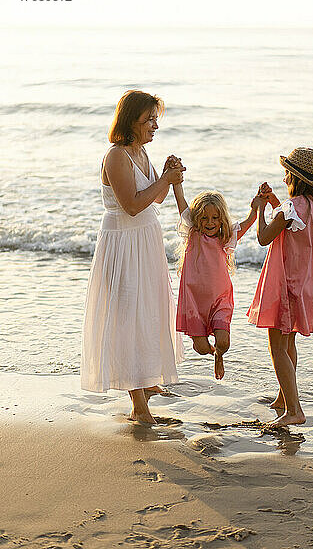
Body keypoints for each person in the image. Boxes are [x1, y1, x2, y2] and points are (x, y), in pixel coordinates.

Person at [81, 90, 185, 425]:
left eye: (156, 119)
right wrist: (164, 181)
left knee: (150, 310)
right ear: (131, 121)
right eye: (149, 120)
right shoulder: (116, 156)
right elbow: (132, 204)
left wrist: (168, 175)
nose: (155, 126)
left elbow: (156, 199)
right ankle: (138, 405)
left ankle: (146, 379)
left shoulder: (140, 152)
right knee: (127, 314)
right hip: (123, 243)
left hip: (145, 238)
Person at [248, 147, 313, 428]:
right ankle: (285, 397)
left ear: (297, 179)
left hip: (286, 284)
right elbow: (290, 225)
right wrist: (274, 200)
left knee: (277, 348)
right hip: (306, 284)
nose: (284, 178)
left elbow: (263, 237)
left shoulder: (291, 209)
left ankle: (294, 409)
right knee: (289, 342)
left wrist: (259, 209)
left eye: (287, 173)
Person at [172, 177, 258, 379]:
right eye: (204, 218)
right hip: (194, 302)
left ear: (222, 219)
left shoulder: (225, 237)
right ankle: (212, 353)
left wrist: (256, 207)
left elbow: (248, 222)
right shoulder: (193, 234)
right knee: (201, 348)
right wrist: (176, 182)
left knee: (224, 342)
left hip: (220, 299)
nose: (209, 223)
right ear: (196, 219)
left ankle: (219, 354)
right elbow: (181, 201)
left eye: (215, 218)